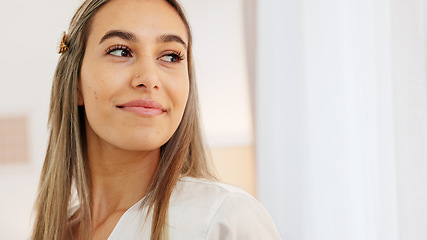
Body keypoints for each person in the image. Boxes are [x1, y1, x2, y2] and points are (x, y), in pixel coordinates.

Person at [32, 0, 281, 239]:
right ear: (75, 83)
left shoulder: (226, 219)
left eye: (171, 56)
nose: (149, 78)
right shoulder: (55, 231)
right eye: (120, 51)